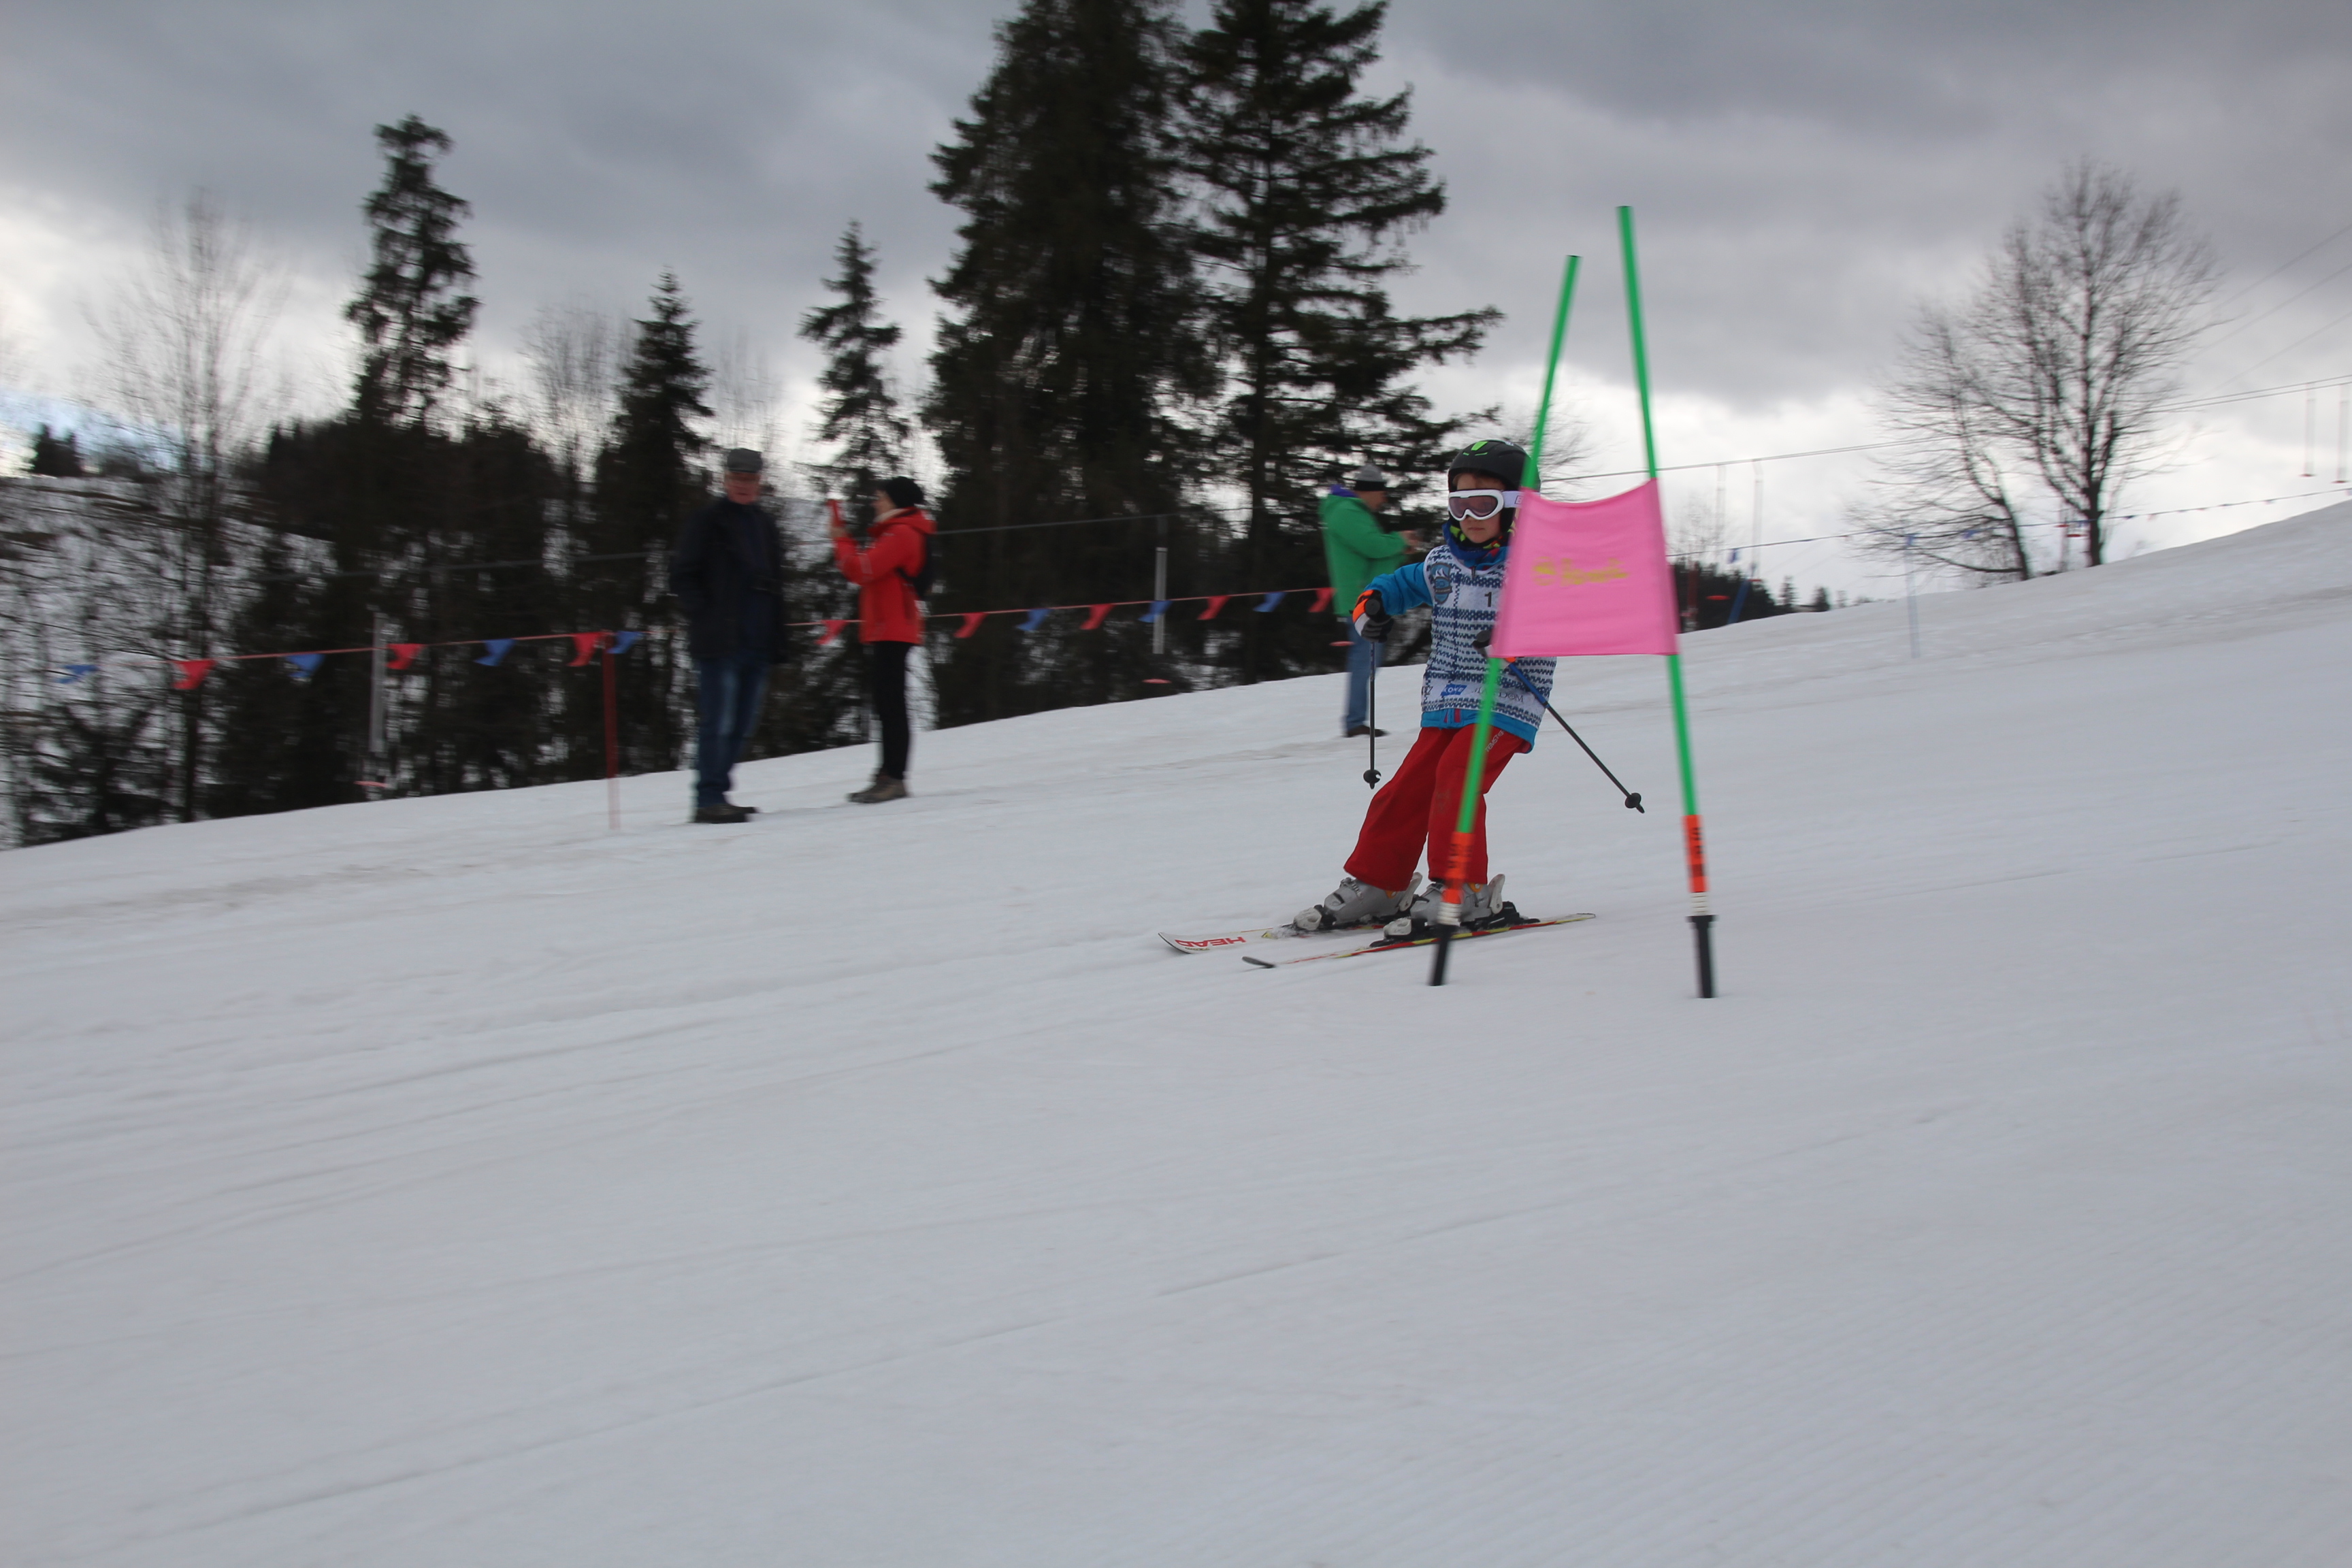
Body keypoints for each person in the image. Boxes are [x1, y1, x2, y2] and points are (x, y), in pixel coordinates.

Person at [1294, 438, 1556, 934]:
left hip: (1507, 701)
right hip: (1447, 701)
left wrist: (1514, 636)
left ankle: (1465, 891)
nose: (1469, 515)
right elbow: (1395, 585)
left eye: (1484, 503)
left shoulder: (1534, 569)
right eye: (1459, 502)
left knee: (1458, 777)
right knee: (1406, 790)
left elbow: (1560, 615)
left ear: (1519, 508)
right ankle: (1381, 883)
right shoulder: (1442, 563)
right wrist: (1370, 606)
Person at [670, 448, 793, 823]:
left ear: (760, 483)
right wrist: (704, 613)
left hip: (759, 640)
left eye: (750, 479)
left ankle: (719, 793)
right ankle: (708, 798)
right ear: (725, 480)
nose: (743, 485)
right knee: (718, 723)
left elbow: (778, 583)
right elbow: (682, 575)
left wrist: (777, 633)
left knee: (741, 726)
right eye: (737, 478)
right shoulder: (707, 521)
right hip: (721, 641)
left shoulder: (765, 524)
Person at [829, 475, 936, 804]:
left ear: (895, 501)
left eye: (880, 497)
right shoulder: (898, 531)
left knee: (890, 704)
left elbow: (861, 569)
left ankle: (894, 777)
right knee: (886, 702)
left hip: (894, 627)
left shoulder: (902, 533)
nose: (875, 502)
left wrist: (841, 539)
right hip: (889, 627)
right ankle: (887, 774)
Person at [1318, 462, 1421, 738]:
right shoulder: (1347, 512)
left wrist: (1400, 550)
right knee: (1365, 661)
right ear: (1370, 491)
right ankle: (1355, 723)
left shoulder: (1351, 512)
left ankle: (1356, 721)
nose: (1384, 500)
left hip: (1365, 597)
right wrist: (1399, 540)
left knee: (1367, 660)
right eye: (1382, 493)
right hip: (1361, 600)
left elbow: (1372, 558)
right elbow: (1373, 546)